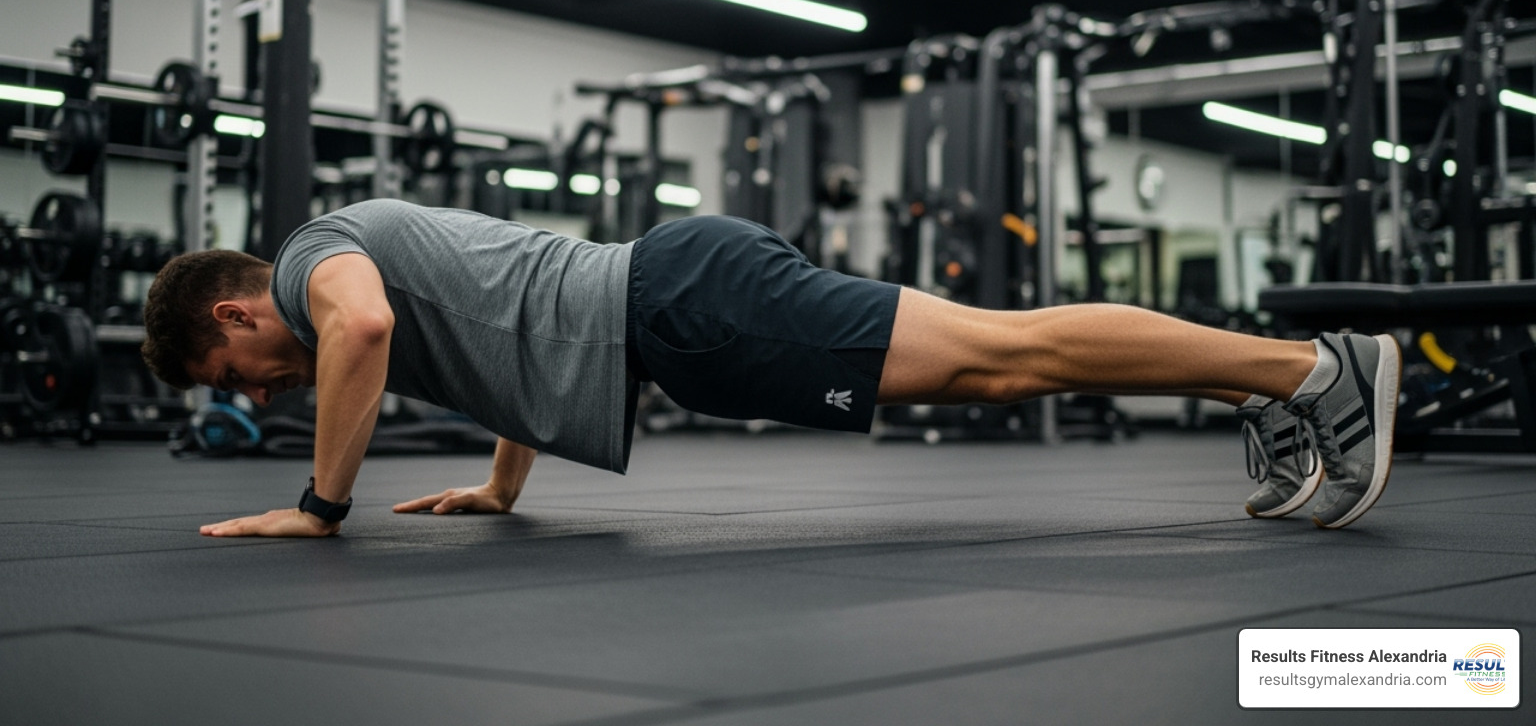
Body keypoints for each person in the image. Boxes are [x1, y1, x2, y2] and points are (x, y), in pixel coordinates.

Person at [140, 199, 1400, 539]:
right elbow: (511, 331)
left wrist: (321, 507)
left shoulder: (314, 265)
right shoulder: (347, 260)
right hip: (685, 314)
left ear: (239, 307)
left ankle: (1316, 372)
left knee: (1009, 351)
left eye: (230, 368)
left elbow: (363, 333)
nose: (251, 392)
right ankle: (1274, 388)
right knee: (1004, 369)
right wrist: (502, 484)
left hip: (691, 305)